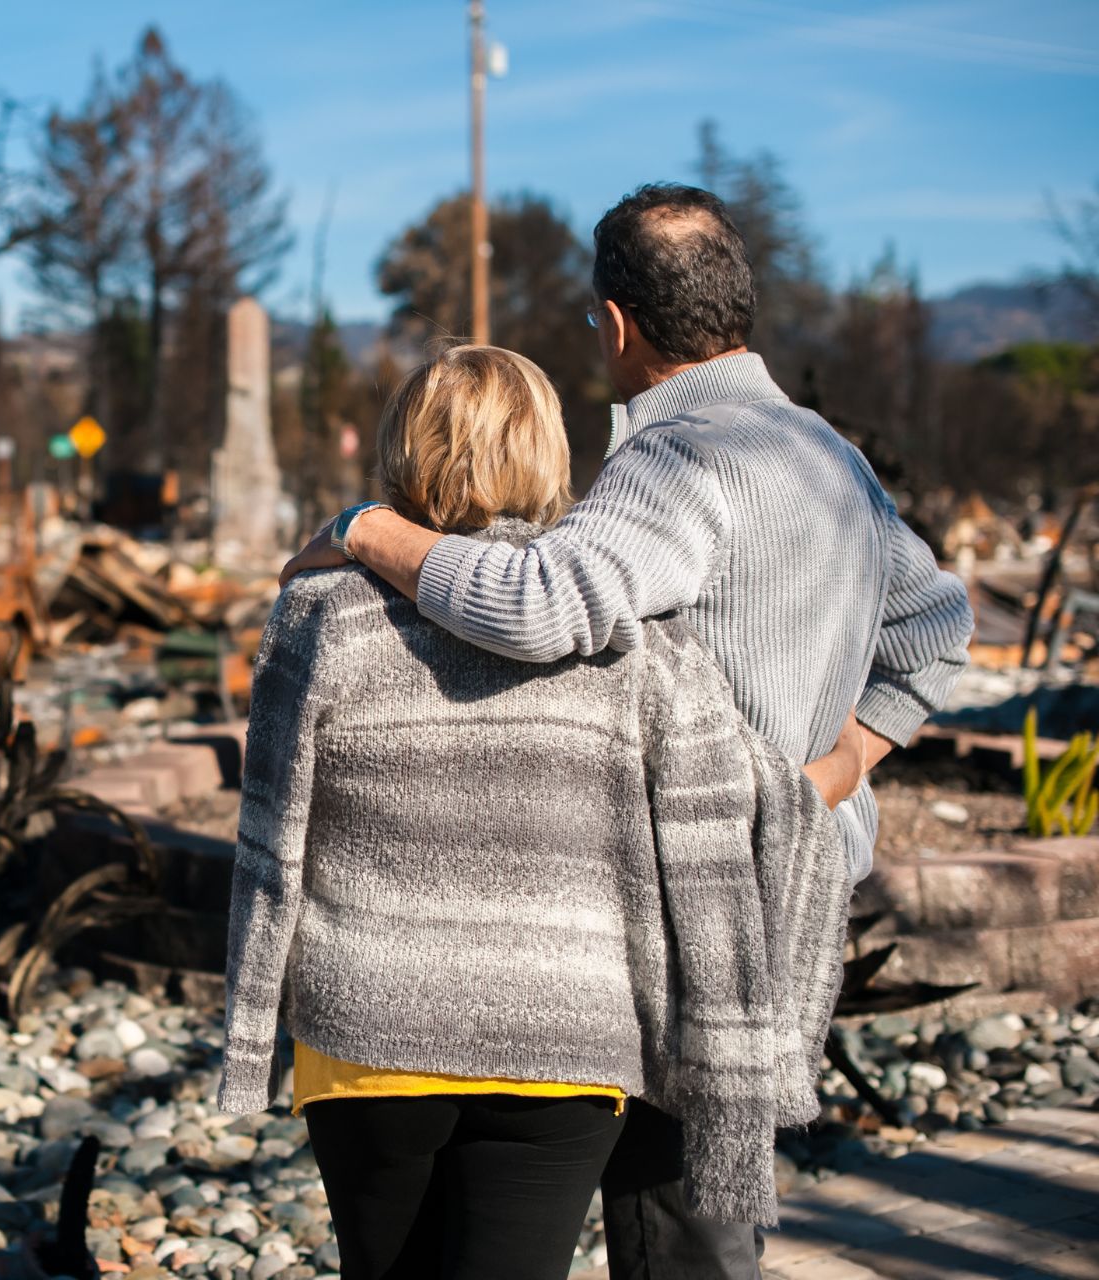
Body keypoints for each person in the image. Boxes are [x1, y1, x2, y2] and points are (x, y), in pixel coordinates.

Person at [280, 184, 975, 1278]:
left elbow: (537, 604)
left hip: (689, 903)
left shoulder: (679, 461)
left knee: (671, 1231)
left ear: (615, 322)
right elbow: (938, 630)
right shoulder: (828, 457)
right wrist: (841, 768)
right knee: (705, 1221)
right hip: (793, 891)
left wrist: (367, 529)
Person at [220, 343, 852, 1280]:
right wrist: (846, 762)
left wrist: (247, 1030)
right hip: (567, 1038)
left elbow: (271, 837)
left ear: (401, 451)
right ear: (550, 456)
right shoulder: (627, 641)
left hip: (368, 1031)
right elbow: (731, 811)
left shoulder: (320, 612)